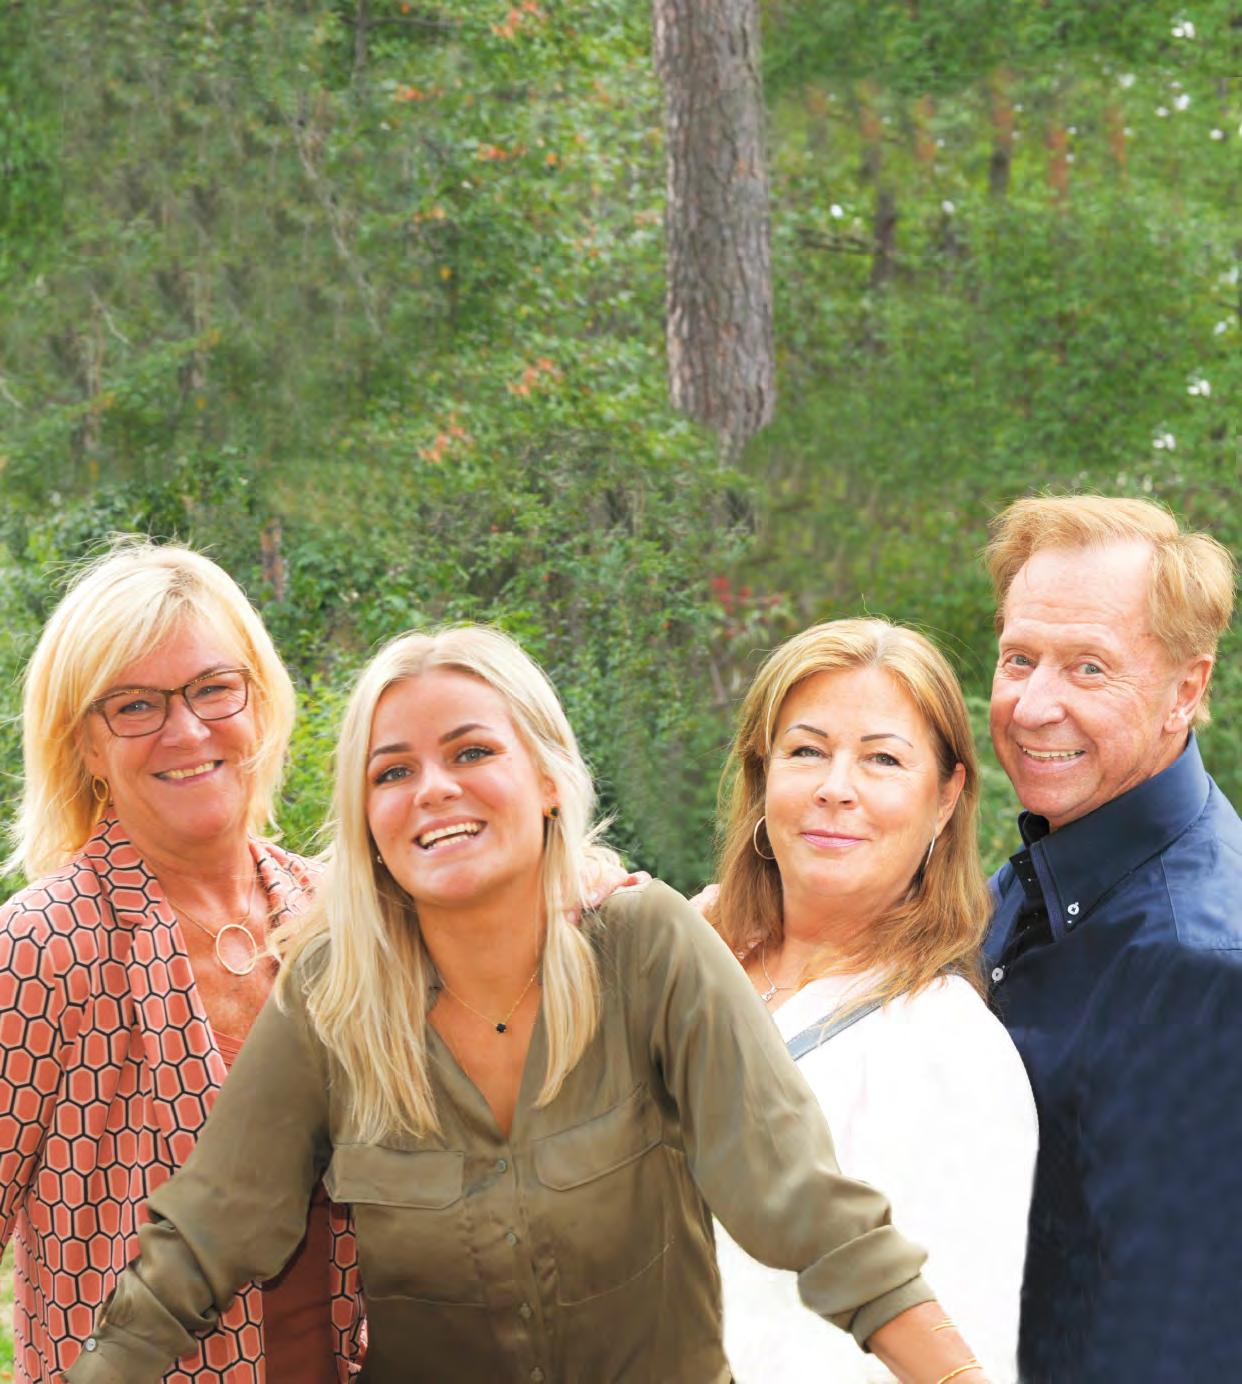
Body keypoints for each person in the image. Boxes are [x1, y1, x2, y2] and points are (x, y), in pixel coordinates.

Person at [67, 624, 991, 1384]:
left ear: (548, 781)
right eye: (392, 772)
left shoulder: (648, 946)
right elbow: (201, 1241)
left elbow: (815, 1217)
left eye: (472, 752)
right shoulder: (329, 996)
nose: (434, 790)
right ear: (368, 821)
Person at [0, 540, 362, 1383]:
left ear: (258, 702)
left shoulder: (342, 919)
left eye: (212, 688)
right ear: (85, 745)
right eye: (134, 705)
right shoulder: (39, 948)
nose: (188, 729)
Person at [703, 618, 1036, 1384]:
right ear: (762, 775)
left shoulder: (950, 1048)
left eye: (882, 759)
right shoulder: (685, 961)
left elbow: (963, 1344)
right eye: (806, 751)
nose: (835, 787)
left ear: (945, 798)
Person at [981, 494, 1241, 1382]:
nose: (1032, 706)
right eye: (1019, 658)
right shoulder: (1051, 871)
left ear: (1185, 690)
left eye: (1088, 668)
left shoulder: (1199, 969)